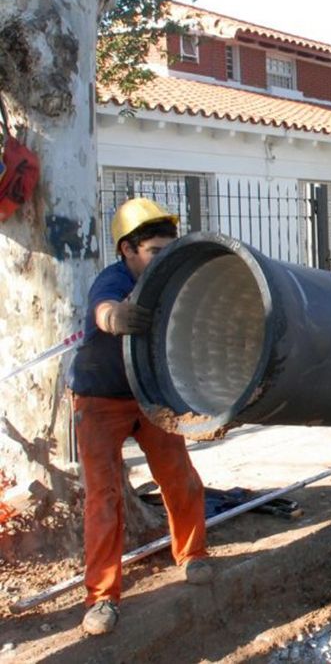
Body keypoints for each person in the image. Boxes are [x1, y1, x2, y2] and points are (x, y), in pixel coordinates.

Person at [69, 198, 212, 636]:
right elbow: (102, 309)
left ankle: (192, 556)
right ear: (127, 250)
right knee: (104, 496)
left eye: (168, 250)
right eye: (154, 251)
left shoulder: (169, 281)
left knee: (179, 476)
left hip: (148, 394)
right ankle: (102, 598)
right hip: (99, 400)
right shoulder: (110, 280)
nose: (161, 260)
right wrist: (114, 316)